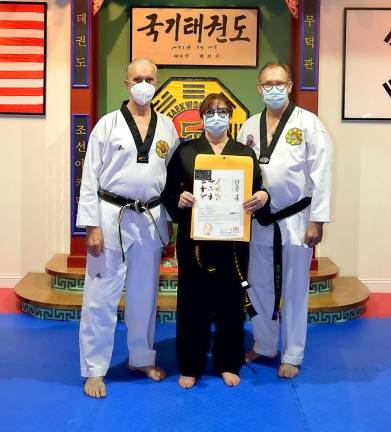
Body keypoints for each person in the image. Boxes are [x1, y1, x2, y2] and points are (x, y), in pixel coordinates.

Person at [76, 58, 179, 398]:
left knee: (144, 294)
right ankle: (94, 369)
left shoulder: (167, 128)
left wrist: (172, 225)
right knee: (100, 296)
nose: (144, 83)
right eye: (138, 77)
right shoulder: (106, 125)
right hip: (110, 216)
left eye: (150, 78)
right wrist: (91, 226)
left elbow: (172, 179)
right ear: (126, 81)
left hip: (150, 219)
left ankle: (141, 357)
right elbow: (89, 177)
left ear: (157, 82)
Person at [162, 93, 269, 389]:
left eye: (223, 111)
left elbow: (259, 189)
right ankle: (190, 364)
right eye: (210, 111)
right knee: (192, 303)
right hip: (195, 241)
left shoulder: (244, 154)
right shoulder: (185, 151)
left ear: (231, 116)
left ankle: (228, 361)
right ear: (201, 116)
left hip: (233, 242)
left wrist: (262, 196)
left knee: (230, 304)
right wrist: (178, 199)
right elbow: (168, 193)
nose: (217, 116)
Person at [237, 61, 332, 378]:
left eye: (280, 83)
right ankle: (264, 345)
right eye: (267, 84)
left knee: (294, 288)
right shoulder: (249, 126)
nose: (273, 89)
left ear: (290, 86)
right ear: (259, 88)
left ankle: (292, 353)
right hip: (260, 217)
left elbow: (322, 174)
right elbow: (241, 172)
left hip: (297, 216)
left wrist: (317, 219)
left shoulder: (308, 124)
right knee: (259, 285)